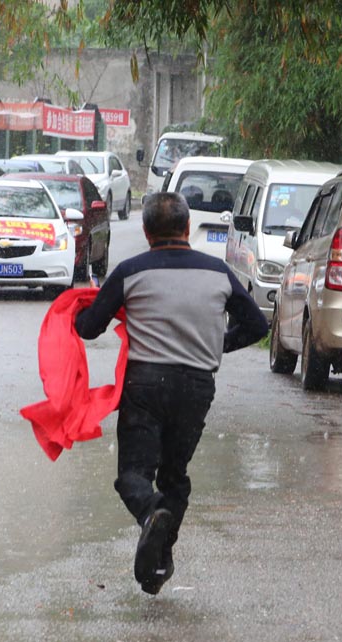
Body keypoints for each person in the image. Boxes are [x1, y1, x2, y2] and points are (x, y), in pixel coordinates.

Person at [75, 192, 268, 595]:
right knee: (175, 477)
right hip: (197, 387)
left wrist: (76, 310)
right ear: (186, 229)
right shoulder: (218, 273)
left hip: (144, 384)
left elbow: (89, 327)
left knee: (133, 475)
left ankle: (151, 515)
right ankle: (159, 560)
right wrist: (216, 343)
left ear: (146, 233)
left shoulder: (131, 272)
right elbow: (256, 326)